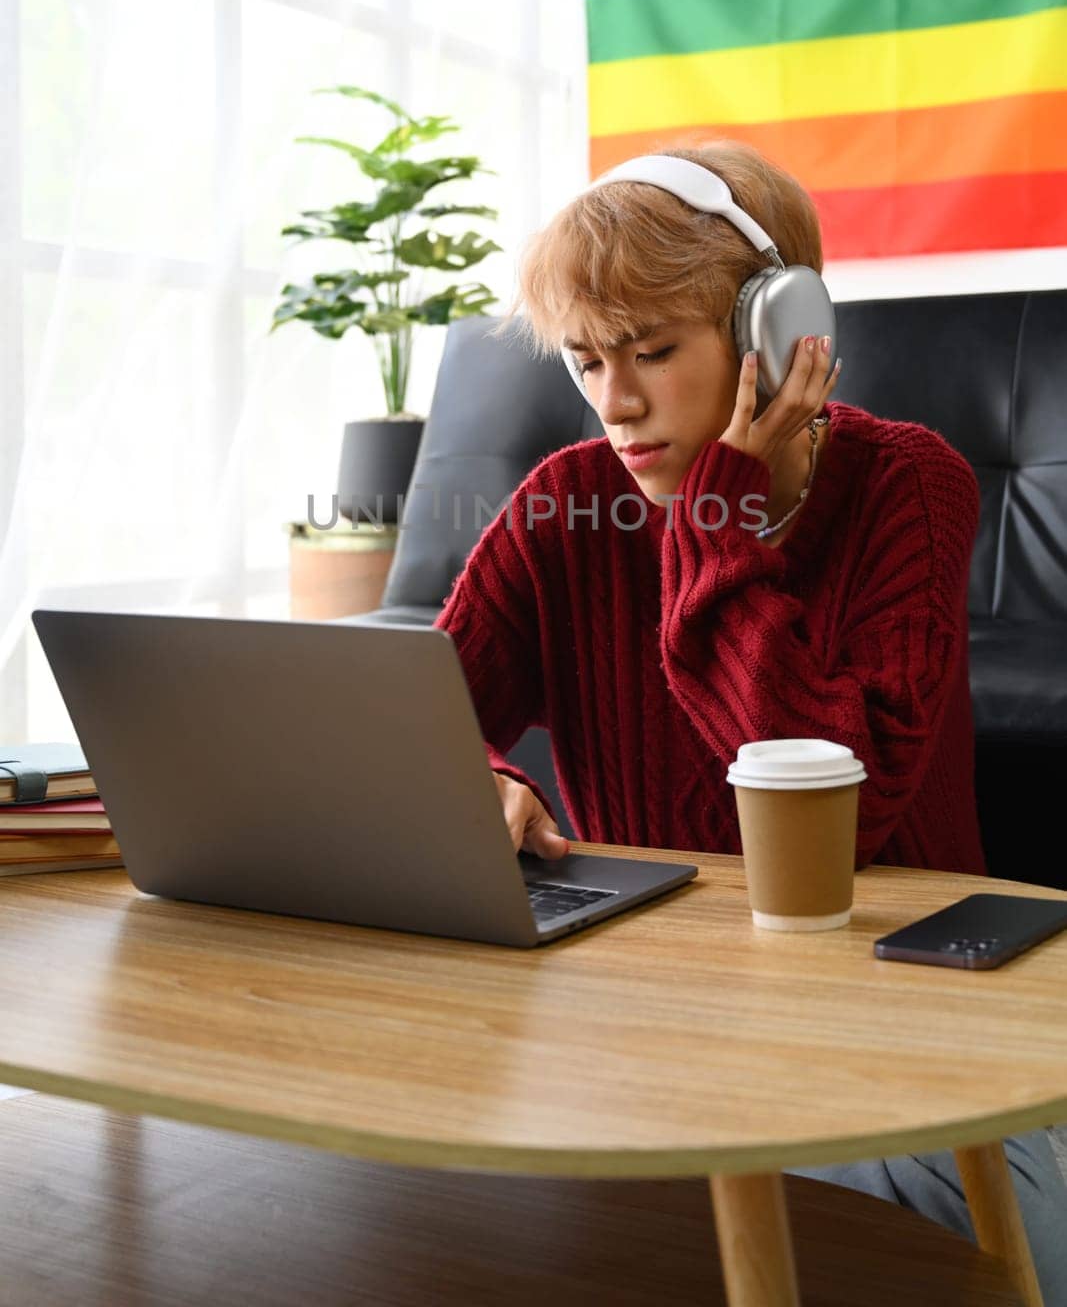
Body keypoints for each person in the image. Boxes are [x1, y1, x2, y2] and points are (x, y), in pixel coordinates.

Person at [431, 141, 1067, 1296]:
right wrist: (478, 775)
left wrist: (712, 517)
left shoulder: (906, 486)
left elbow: (841, 802)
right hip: (652, 1013)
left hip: (887, 1022)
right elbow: (413, 721)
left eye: (652, 352)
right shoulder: (564, 502)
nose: (615, 403)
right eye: (584, 362)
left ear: (779, 334)